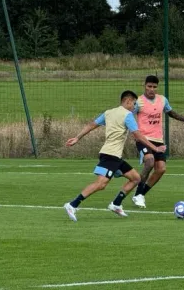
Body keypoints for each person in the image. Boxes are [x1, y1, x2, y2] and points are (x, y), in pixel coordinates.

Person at [63, 90, 166, 222]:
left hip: (114, 156)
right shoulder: (128, 115)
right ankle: (72, 205)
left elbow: (91, 125)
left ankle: (116, 204)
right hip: (110, 155)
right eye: (134, 104)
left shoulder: (108, 112)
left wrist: (77, 138)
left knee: (136, 178)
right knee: (101, 184)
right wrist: (155, 148)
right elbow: (138, 135)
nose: (134, 107)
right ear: (127, 101)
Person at [132, 75, 184, 209]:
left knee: (161, 169)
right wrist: (132, 132)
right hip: (143, 138)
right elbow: (127, 116)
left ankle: (140, 194)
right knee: (150, 161)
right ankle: (139, 192)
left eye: (154, 87)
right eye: (149, 86)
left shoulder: (162, 100)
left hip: (158, 140)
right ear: (144, 86)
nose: (151, 89)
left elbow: (172, 113)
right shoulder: (139, 102)